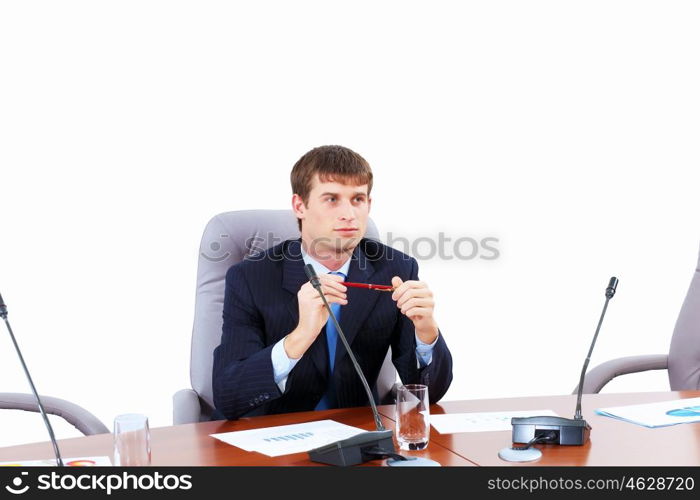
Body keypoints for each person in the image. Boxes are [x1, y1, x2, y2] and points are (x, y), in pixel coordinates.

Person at [212, 145, 452, 419]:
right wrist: (300, 336)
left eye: (358, 199)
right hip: (274, 432)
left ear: (369, 205)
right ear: (299, 206)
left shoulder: (396, 268)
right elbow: (227, 395)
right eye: (332, 199)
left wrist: (426, 332)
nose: (349, 214)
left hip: (358, 433)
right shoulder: (251, 277)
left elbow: (429, 394)